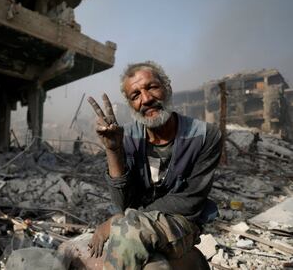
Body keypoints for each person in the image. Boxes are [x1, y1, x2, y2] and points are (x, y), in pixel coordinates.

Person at [87, 61, 222, 269]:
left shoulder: (204, 136)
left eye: (151, 87)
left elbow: (190, 201)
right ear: (131, 105)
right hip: (135, 221)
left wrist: (120, 221)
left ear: (166, 88)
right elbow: (122, 202)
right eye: (136, 95)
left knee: (130, 232)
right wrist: (113, 150)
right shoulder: (127, 137)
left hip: (181, 223)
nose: (146, 99)